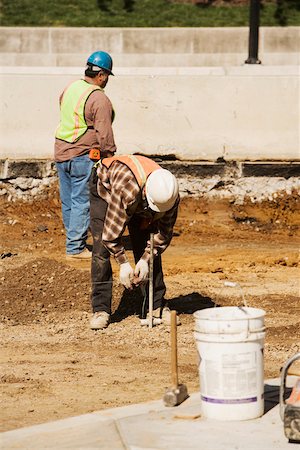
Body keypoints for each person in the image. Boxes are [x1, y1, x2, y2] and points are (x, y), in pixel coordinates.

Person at [89, 154, 180, 330]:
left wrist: (145, 259)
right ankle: (100, 309)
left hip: (138, 192)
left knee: (147, 242)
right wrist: (123, 263)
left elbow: (163, 234)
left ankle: (156, 304)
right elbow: (111, 235)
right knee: (101, 249)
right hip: (106, 187)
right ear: (146, 195)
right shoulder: (127, 190)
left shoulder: (169, 195)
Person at [54, 51, 116, 259]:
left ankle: (72, 242)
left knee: (69, 201)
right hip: (82, 155)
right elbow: (104, 132)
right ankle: (75, 248)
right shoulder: (98, 97)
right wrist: (109, 156)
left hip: (61, 152)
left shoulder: (71, 88)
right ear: (103, 75)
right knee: (82, 201)